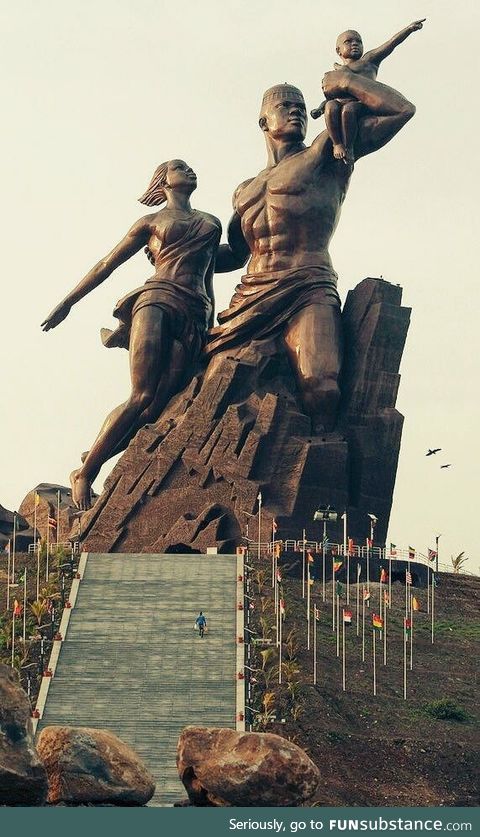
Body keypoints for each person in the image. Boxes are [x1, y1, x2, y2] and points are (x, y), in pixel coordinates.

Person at [208, 73, 416, 432]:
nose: (296, 112)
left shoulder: (327, 151)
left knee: (321, 386)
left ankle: (320, 461)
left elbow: (401, 110)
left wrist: (347, 80)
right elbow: (235, 254)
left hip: (308, 285)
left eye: (302, 107)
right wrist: (180, 257)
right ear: (264, 121)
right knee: (212, 389)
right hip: (250, 296)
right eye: (285, 106)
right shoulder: (244, 191)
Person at [41, 160, 221, 510]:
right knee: (141, 395)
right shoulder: (152, 222)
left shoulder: (211, 223)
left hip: (194, 312)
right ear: (164, 181)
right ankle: (86, 473)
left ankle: (97, 449)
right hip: (156, 300)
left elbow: (209, 277)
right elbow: (106, 264)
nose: (191, 171)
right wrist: (68, 302)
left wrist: (208, 326)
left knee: (158, 408)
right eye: (181, 168)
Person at [310, 20, 426, 162]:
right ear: (338, 50)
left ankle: (349, 147)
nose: (354, 44)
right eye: (348, 41)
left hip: (361, 105)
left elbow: (390, 44)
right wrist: (320, 109)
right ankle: (337, 144)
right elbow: (330, 99)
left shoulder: (368, 61)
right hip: (338, 103)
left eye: (358, 41)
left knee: (349, 109)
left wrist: (408, 29)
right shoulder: (334, 74)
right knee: (331, 106)